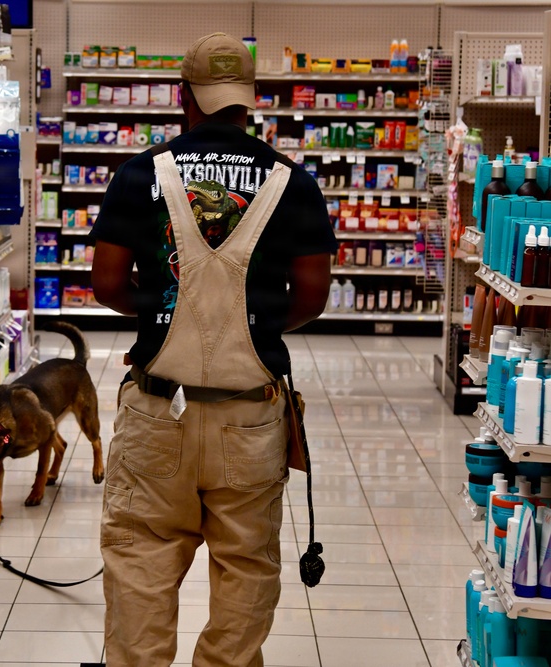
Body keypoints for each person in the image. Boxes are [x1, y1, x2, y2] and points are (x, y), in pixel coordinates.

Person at [89, 33, 337, 667]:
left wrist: (159, 312)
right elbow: (310, 297)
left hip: (157, 413)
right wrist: (250, 325)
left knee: (141, 566)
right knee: (246, 577)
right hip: (249, 418)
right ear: (248, 100)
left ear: (184, 98)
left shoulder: (140, 174)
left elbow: (109, 284)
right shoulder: (292, 184)